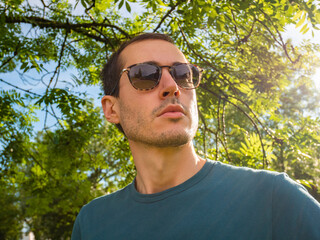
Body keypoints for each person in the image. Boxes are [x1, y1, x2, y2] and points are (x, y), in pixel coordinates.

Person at [71, 33, 320, 240]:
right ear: (111, 109)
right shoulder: (92, 222)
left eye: (183, 73)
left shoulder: (273, 198)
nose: (172, 86)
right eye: (145, 74)